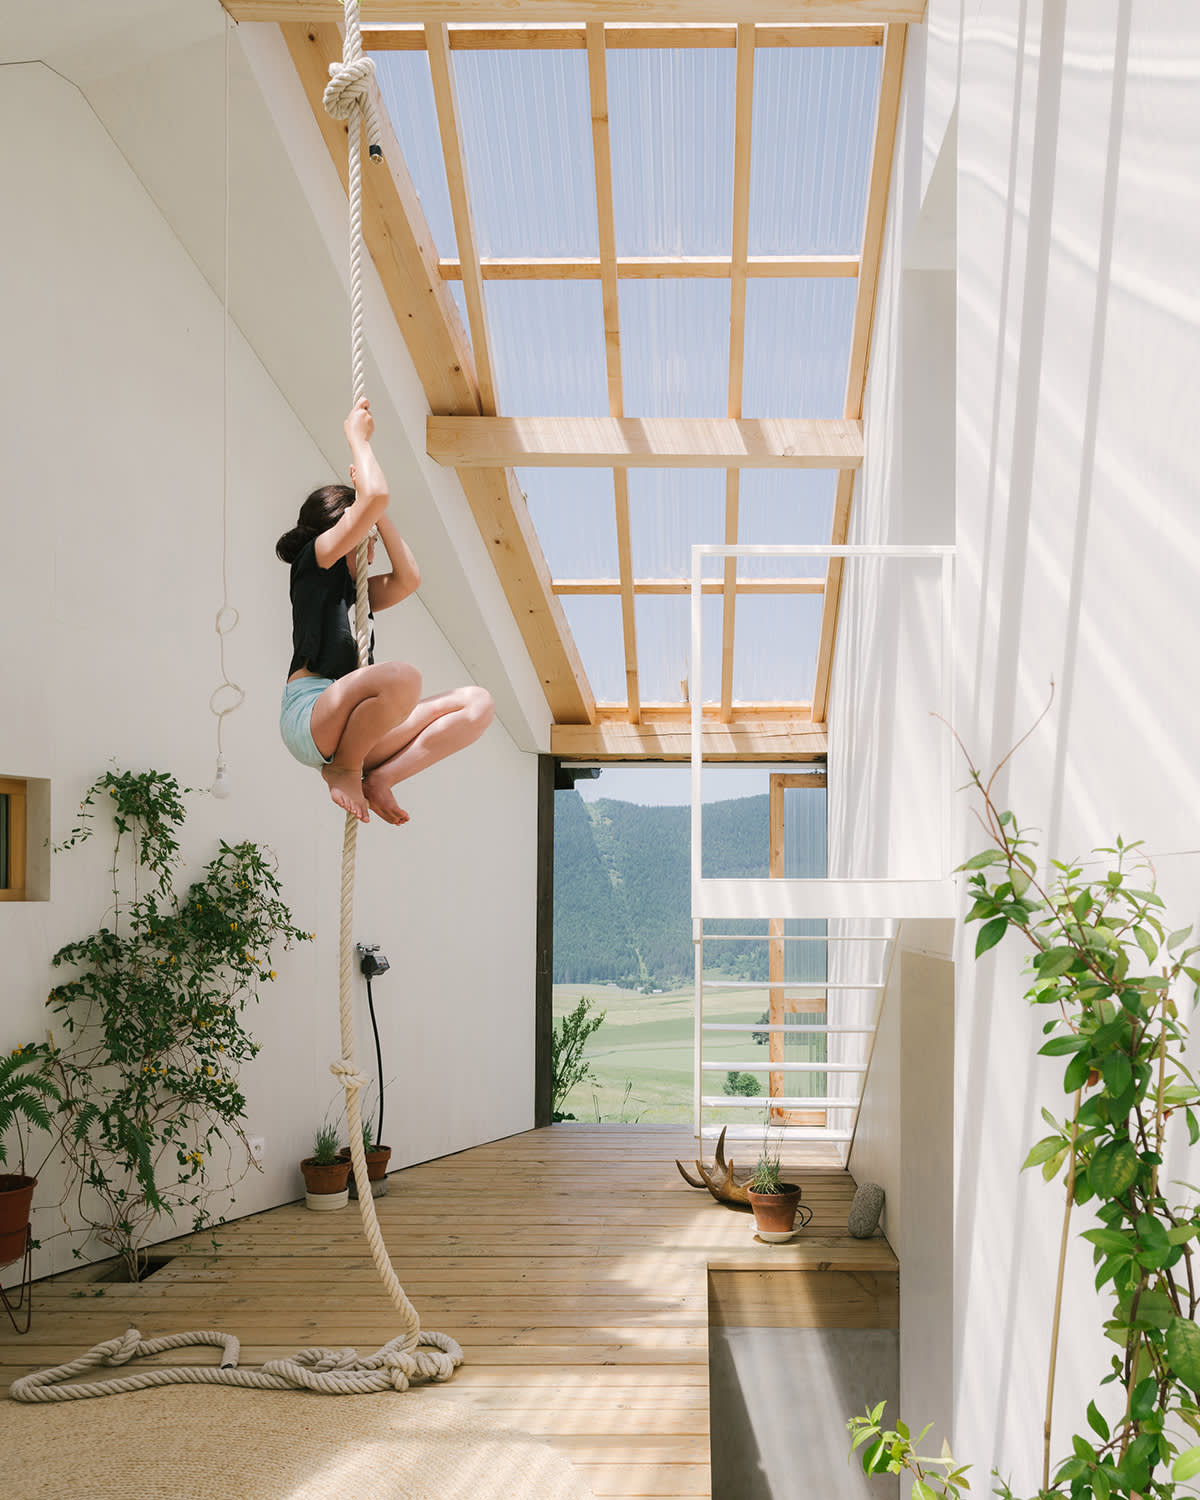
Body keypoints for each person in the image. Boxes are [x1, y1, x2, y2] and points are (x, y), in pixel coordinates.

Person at [276, 398, 494, 824]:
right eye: (367, 537)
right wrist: (358, 441)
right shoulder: (315, 560)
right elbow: (374, 495)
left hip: (356, 734)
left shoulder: (358, 593)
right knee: (402, 677)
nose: (374, 546)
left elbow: (408, 579)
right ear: (344, 530)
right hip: (313, 718)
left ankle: (380, 778)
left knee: (477, 704)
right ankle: (344, 769)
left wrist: (379, 517)